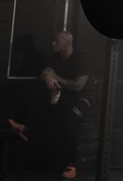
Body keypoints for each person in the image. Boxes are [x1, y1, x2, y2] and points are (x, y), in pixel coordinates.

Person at [36, 31, 90, 179]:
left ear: (66, 43)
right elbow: (46, 73)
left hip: (82, 99)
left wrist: (58, 78)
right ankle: (56, 162)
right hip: (64, 99)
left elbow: (78, 85)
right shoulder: (53, 59)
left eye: (56, 41)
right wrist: (49, 79)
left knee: (68, 123)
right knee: (51, 120)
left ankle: (73, 165)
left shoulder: (80, 58)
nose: (53, 44)